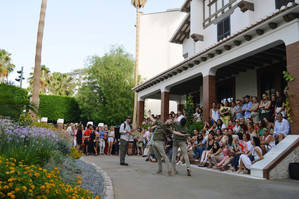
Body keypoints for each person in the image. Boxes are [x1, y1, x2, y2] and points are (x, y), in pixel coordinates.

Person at [147, 110, 177, 176]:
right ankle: (160, 169)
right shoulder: (160, 123)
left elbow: (174, 132)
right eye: (170, 121)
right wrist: (149, 114)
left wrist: (182, 135)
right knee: (158, 157)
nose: (170, 122)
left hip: (160, 142)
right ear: (167, 120)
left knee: (164, 155)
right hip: (154, 141)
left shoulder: (168, 128)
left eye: (171, 122)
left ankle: (169, 169)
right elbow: (153, 120)